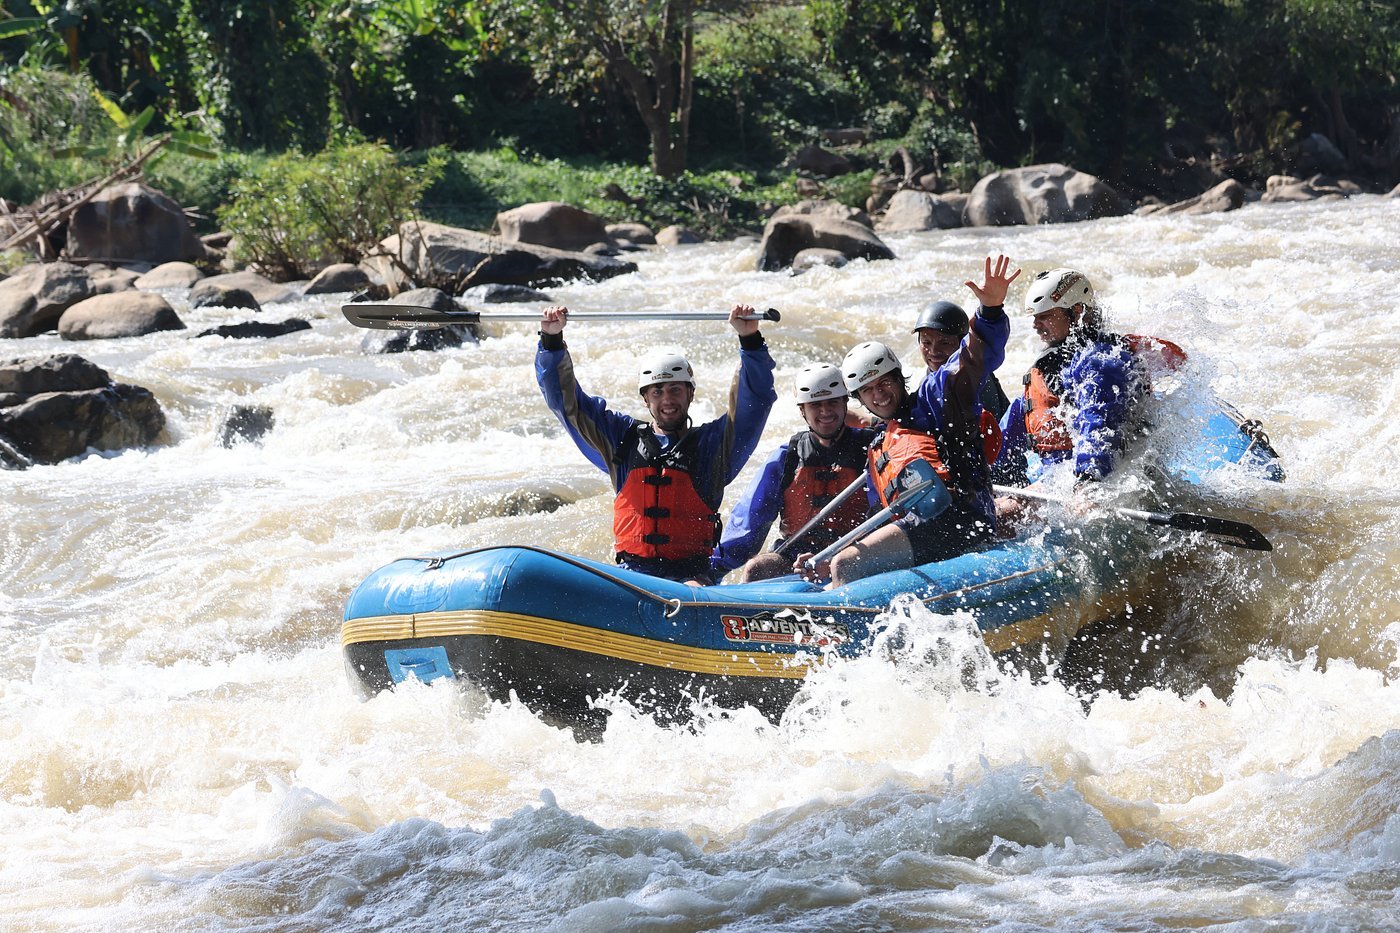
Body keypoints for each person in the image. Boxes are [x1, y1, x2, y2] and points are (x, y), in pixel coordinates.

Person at [799, 254, 1019, 588]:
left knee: (846, 564)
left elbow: (972, 359)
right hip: (924, 529)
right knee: (840, 561)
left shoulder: (936, 398)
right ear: (859, 399)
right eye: (868, 390)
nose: (879, 395)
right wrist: (832, 552)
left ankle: (841, 621)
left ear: (899, 379)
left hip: (961, 519)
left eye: (884, 383)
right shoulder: (879, 444)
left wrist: (989, 311)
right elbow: (879, 516)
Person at [536, 304, 776, 585]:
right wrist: (551, 341)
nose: (667, 400)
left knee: (691, 586)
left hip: (692, 578)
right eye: (657, 392)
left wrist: (750, 340)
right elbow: (567, 404)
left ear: (690, 394)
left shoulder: (713, 446)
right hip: (633, 576)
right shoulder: (621, 439)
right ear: (645, 399)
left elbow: (754, 404)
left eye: (675, 389)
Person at [993, 268, 1150, 504]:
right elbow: (1015, 422)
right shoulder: (1052, 364)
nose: (1035, 325)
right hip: (1056, 477)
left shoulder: (1101, 363)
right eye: (1035, 317)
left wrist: (1087, 482)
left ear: (1077, 312)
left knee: (1005, 511)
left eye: (1044, 316)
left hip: (1096, 481)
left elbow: (1098, 424)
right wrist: (982, 475)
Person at [711, 362, 877, 582]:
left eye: (833, 402)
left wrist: (836, 557)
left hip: (855, 552)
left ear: (845, 403)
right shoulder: (787, 457)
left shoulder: (872, 447)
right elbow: (748, 524)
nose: (825, 411)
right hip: (797, 558)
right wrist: (713, 570)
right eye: (815, 405)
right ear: (802, 410)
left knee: (841, 565)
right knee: (757, 568)